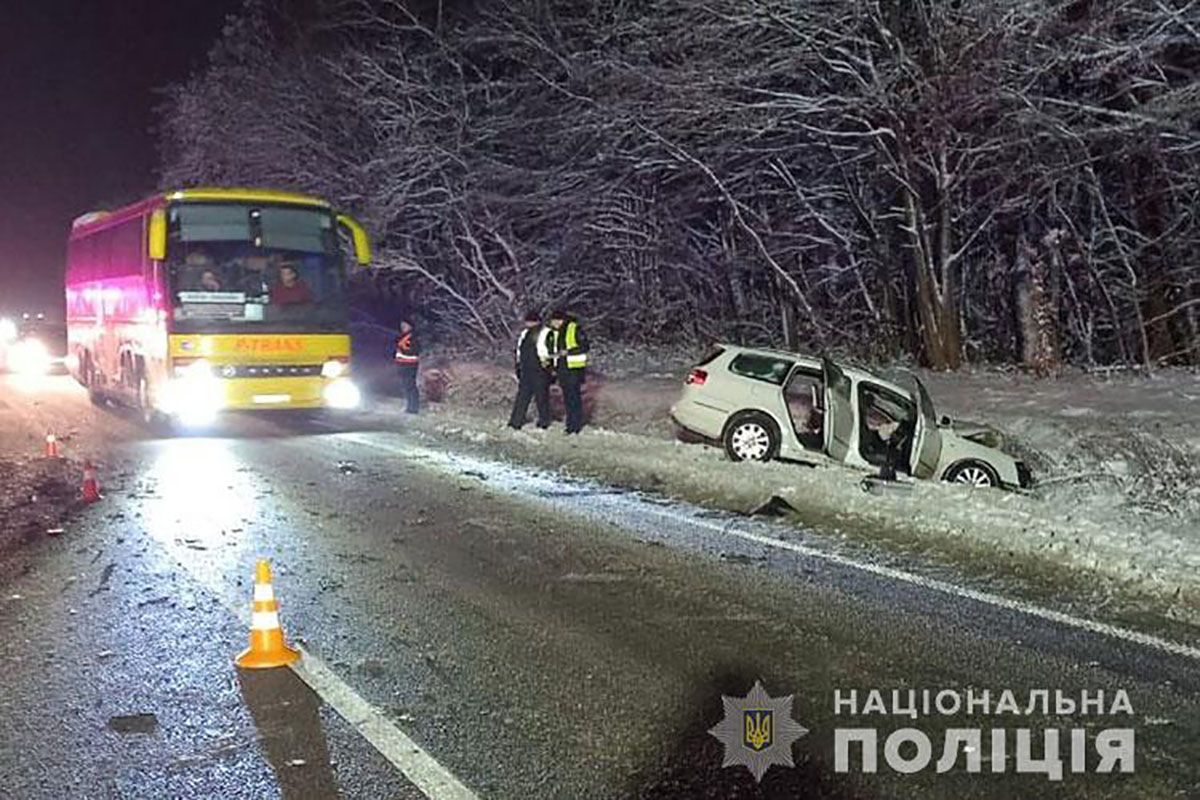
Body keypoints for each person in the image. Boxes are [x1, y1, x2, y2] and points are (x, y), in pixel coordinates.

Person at [507, 310, 552, 430]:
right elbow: (519, 351)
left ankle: (544, 422)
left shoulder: (546, 333)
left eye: (531, 321)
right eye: (528, 322)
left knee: (541, 397)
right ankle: (515, 422)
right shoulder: (525, 333)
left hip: (540, 370)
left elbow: (550, 352)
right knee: (522, 397)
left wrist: (549, 369)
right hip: (526, 369)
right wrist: (518, 366)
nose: (529, 324)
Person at [547, 309, 589, 434]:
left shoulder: (574, 328)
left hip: (574, 369)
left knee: (573, 398)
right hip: (563, 369)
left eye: (554, 321)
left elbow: (585, 346)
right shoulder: (556, 332)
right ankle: (571, 425)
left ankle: (575, 426)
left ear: (560, 320)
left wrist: (568, 352)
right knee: (568, 398)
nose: (552, 324)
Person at [393, 319, 420, 414]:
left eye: (405, 325)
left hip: (410, 364)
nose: (403, 327)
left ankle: (413, 407)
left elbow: (414, 350)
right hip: (402, 364)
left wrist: (403, 350)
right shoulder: (402, 336)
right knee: (406, 386)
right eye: (402, 326)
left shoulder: (414, 337)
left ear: (410, 326)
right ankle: (409, 406)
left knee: (410, 386)